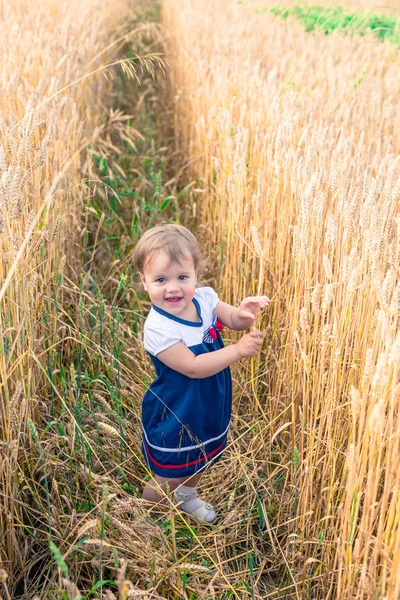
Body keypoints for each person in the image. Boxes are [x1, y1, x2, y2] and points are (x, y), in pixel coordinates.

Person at [133, 224, 269, 524]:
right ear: (144, 282)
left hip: (209, 400)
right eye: (161, 280)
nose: (173, 288)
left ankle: (187, 497)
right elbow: (193, 367)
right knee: (171, 470)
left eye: (183, 277)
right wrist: (237, 351)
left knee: (200, 457)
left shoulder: (204, 299)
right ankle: (149, 515)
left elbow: (230, 319)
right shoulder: (159, 328)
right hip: (178, 407)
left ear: (196, 273)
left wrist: (244, 314)